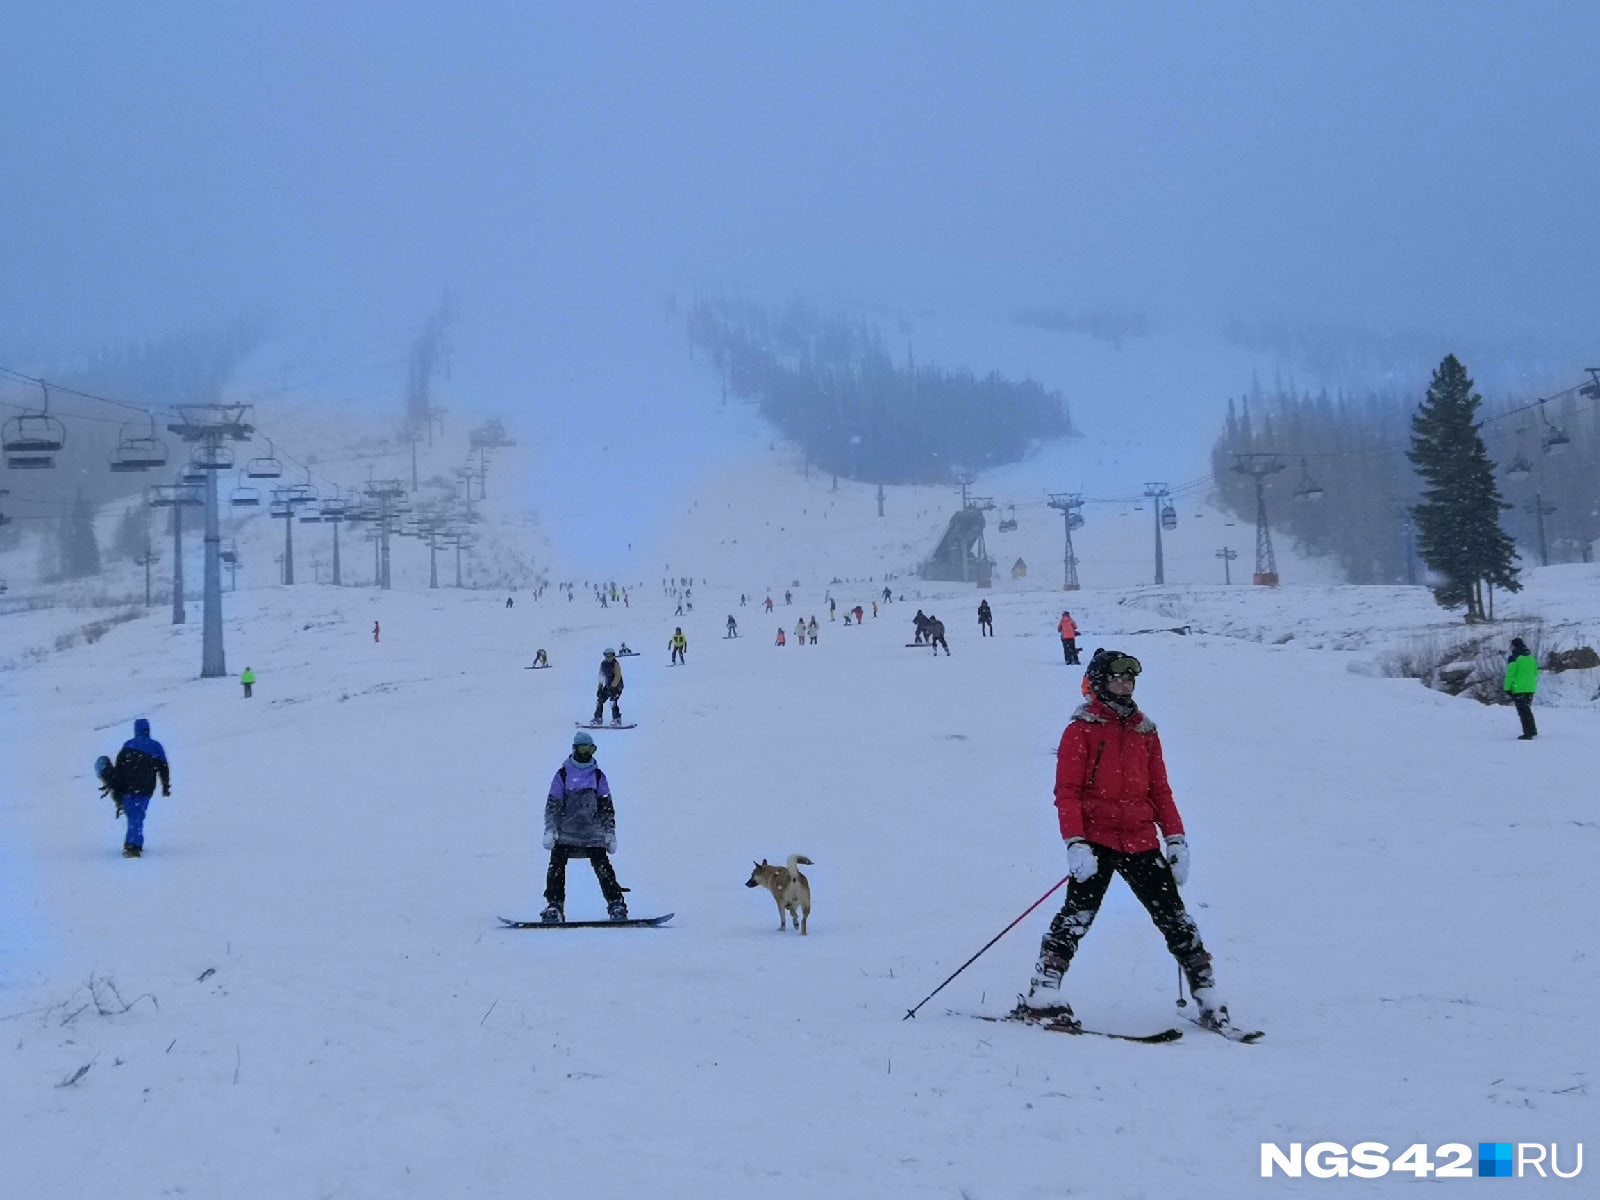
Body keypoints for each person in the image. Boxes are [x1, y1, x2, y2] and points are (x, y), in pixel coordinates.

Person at [1017, 649, 1228, 1032]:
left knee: (1176, 920)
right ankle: (1043, 994)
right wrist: (1075, 842)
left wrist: (1176, 839)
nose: (1125, 685)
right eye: (1117, 679)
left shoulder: (1146, 731)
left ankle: (1208, 997)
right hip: (1096, 841)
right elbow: (1067, 792)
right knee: (1076, 918)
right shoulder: (1080, 729)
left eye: (1130, 679)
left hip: (1141, 840)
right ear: (1099, 683)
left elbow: (1161, 790)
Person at [540, 731, 628, 922]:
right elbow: (553, 805)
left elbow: (606, 807)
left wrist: (609, 833)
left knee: (603, 866)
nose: (586, 753)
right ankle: (554, 906)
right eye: (583, 748)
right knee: (556, 865)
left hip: (592, 834)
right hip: (566, 833)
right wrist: (550, 829)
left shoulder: (598, 776)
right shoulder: (563, 775)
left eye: (590, 749)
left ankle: (616, 904)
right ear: (575, 749)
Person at [112, 717, 171, 859]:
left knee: (134, 816)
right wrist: (165, 786)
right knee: (137, 816)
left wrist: (116, 788)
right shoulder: (156, 746)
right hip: (145, 788)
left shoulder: (128, 745)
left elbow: (118, 768)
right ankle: (133, 846)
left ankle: (133, 845)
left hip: (127, 787)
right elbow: (163, 768)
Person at [1505, 637, 1538, 740]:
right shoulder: (1531, 658)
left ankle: (1528, 733)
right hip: (1530, 688)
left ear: (1515, 646)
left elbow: (1510, 674)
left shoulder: (1514, 658)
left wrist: (1507, 688)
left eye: (1511, 646)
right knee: (1527, 710)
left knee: (1523, 712)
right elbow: (1535, 673)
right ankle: (1532, 730)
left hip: (1518, 689)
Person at [593, 648, 625, 726]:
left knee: (612, 701)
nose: (608, 658)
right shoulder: (603, 664)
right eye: (606, 656)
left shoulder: (615, 664)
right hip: (608, 686)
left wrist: (613, 687)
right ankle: (598, 718)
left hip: (617, 687)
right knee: (600, 700)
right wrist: (600, 688)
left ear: (613, 656)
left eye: (610, 656)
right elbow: (601, 676)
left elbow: (617, 676)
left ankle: (616, 719)